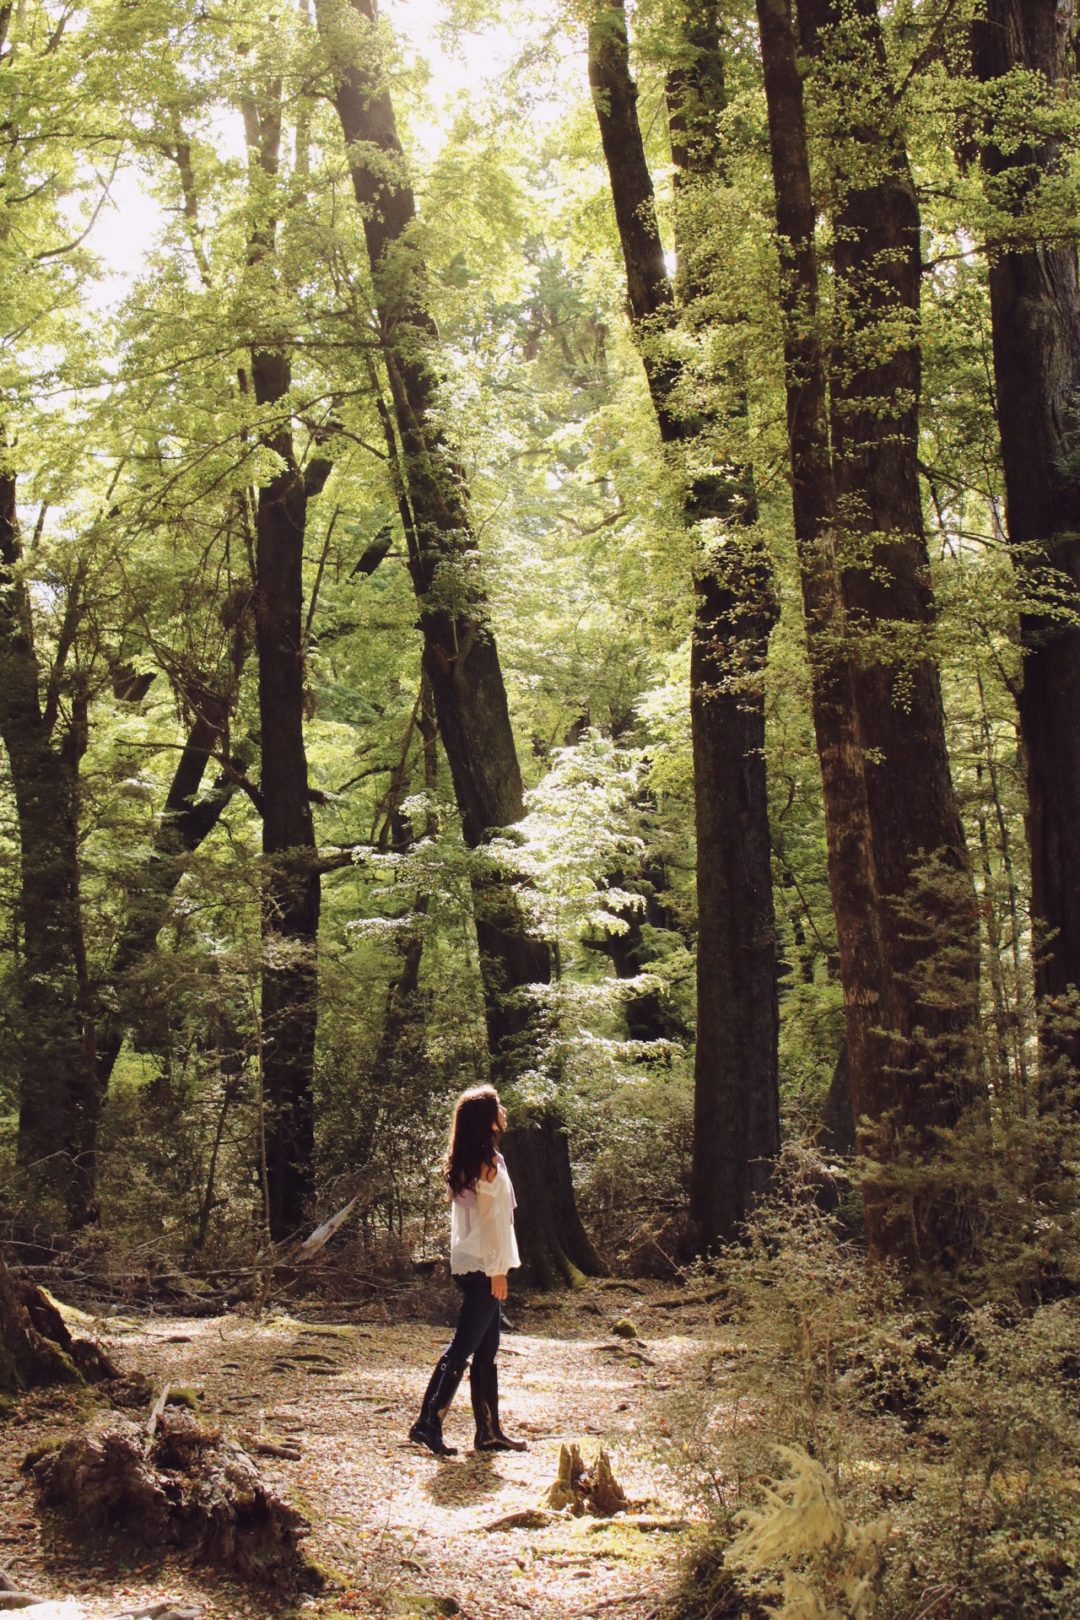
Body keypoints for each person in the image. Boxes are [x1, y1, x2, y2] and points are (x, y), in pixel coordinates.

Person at [409, 1084, 527, 1457]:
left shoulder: (482, 1160)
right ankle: (428, 1422)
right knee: (464, 1346)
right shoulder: (485, 1166)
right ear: (486, 1119)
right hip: (482, 1267)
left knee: (487, 1349)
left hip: (476, 1263)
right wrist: (497, 1270)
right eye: (498, 1107)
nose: (504, 1112)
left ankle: (489, 1431)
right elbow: (492, 1223)